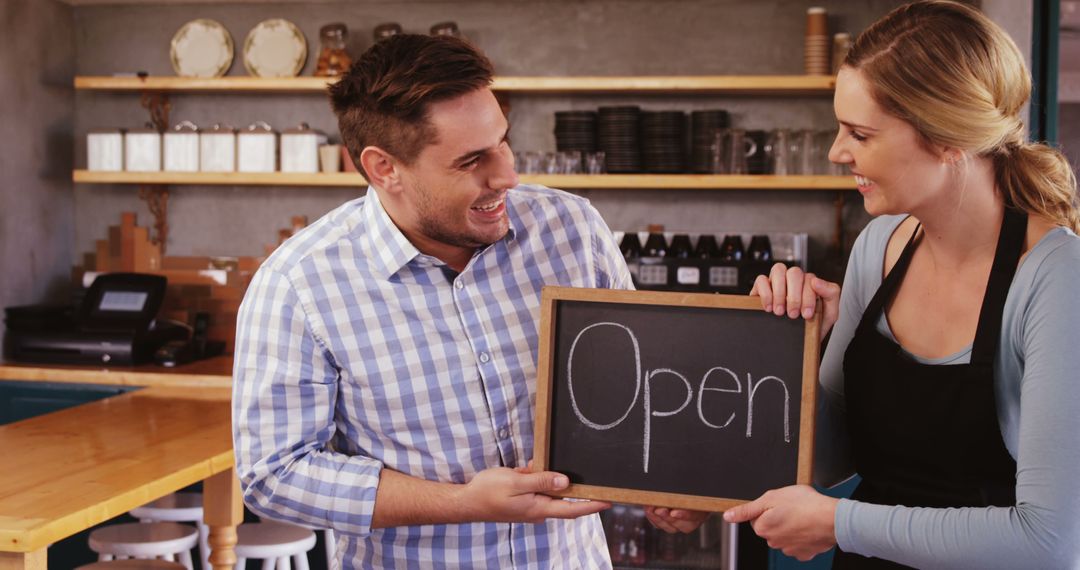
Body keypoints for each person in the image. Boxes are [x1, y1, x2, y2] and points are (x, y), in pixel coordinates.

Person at [232, 34, 634, 568]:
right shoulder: (298, 284)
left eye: (504, 142)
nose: (507, 175)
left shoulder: (571, 229)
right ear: (384, 168)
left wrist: (667, 488)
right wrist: (461, 503)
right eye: (471, 161)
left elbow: (636, 388)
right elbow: (274, 475)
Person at [713, 1, 1080, 568]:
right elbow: (828, 457)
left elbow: (1048, 541)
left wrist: (840, 522)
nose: (838, 151)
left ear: (947, 140)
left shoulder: (1056, 276)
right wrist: (793, 350)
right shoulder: (878, 247)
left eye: (860, 133)